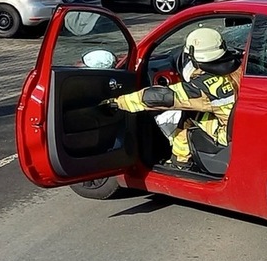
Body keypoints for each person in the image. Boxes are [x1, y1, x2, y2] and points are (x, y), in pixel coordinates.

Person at [101, 28, 241, 171]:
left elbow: (161, 97)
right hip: (242, 126)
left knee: (185, 120)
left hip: (227, 136)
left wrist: (119, 102)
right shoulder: (240, 67)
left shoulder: (204, 87)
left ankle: (180, 163)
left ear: (194, 56)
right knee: (196, 112)